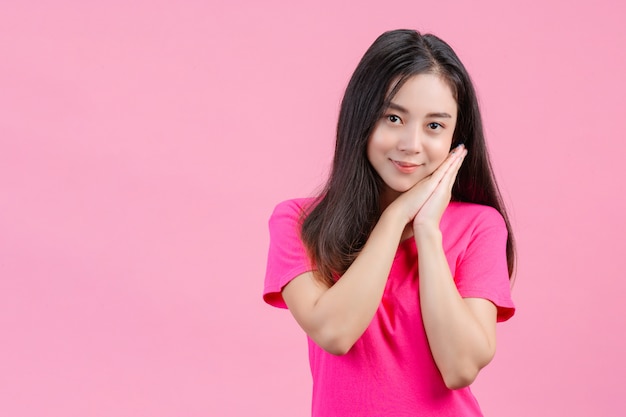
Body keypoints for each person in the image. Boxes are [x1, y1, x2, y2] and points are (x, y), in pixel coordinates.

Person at [263, 29, 516, 416]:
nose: (411, 144)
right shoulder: (299, 221)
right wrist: (396, 217)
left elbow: (460, 367)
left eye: (435, 126)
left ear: (456, 141)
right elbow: (335, 332)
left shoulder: (480, 226)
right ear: (361, 119)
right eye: (393, 117)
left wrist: (428, 232)